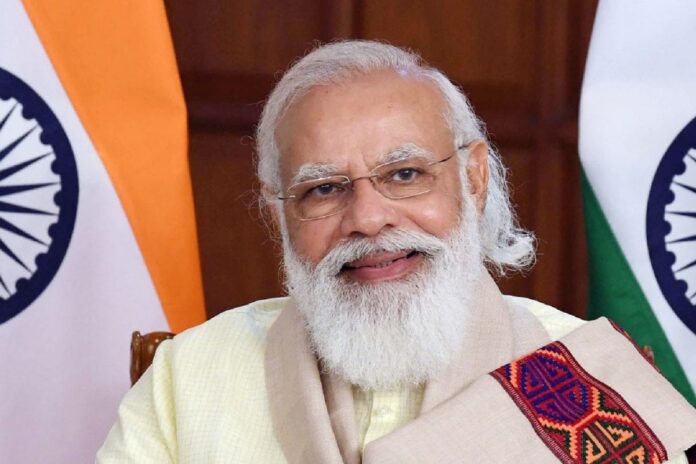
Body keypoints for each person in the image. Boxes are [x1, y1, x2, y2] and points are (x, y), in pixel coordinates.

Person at [97, 41, 696, 463]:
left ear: (474, 178)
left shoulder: (585, 380)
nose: (368, 218)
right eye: (323, 188)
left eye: (405, 174)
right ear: (278, 211)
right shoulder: (188, 377)